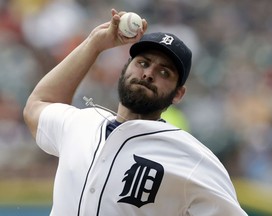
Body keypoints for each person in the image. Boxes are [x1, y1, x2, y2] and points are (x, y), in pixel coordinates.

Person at [23, 9, 247, 216]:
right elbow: (39, 104)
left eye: (164, 72)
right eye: (143, 62)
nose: (149, 73)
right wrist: (93, 45)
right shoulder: (81, 123)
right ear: (125, 68)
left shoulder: (193, 158)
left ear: (178, 94)